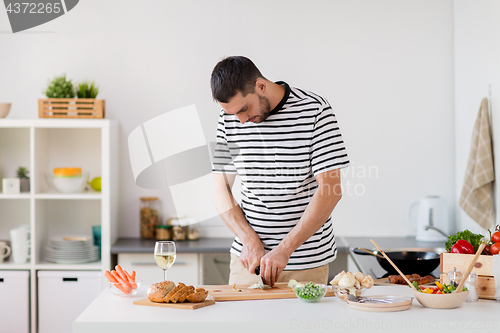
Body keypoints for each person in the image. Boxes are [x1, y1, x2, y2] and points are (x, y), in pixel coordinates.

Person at [210, 56, 350, 287]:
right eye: (234, 114)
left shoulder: (315, 110)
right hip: (248, 261)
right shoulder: (230, 119)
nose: (241, 121)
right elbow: (219, 188)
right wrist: (248, 239)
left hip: (305, 263)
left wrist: (284, 250)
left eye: (245, 109)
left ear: (261, 86)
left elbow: (331, 190)